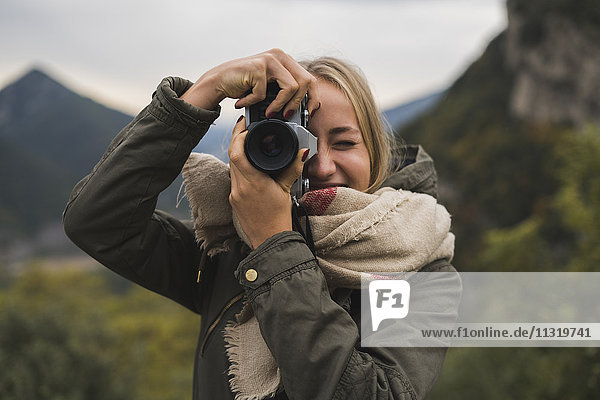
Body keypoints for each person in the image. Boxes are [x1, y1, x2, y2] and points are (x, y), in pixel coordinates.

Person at [63, 48, 459, 400]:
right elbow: (97, 222)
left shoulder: (421, 269)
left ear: (376, 152)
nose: (319, 165)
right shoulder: (227, 250)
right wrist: (205, 90)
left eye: (343, 143)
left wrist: (273, 243)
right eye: (293, 143)